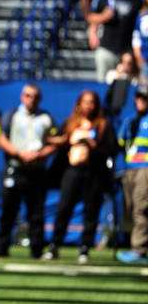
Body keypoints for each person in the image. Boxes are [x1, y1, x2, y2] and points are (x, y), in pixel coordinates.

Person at [42, 90, 115, 264]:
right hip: (72, 170)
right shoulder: (71, 123)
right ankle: (55, 245)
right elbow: (54, 139)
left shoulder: (102, 124)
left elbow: (112, 149)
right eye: (85, 102)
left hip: (94, 171)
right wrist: (64, 140)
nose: (88, 106)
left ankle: (85, 248)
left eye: (92, 102)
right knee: (64, 207)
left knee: (91, 210)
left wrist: (93, 145)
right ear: (79, 104)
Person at [0, 84, 57, 259]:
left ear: (40, 99)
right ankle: (1, 248)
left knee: (36, 214)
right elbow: (1, 138)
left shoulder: (46, 118)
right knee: (8, 211)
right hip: (15, 168)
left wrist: (39, 154)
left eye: (35, 96)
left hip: (37, 170)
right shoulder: (12, 115)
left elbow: (55, 141)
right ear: (22, 97)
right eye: (28, 96)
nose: (31, 100)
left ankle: (36, 250)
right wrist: (18, 153)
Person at [87, 0, 142, 82]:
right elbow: (91, 17)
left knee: (126, 84)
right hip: (106, 47)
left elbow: (141, 19)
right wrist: (94, 31)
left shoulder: (135, 0)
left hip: (126, 50)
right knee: (102, 82)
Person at [117, 85, 148, 264]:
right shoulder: (129, 121)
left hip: (146, 168)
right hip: (130, 169)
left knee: (141, 208)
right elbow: (121, 144)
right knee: (130, 208)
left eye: (145, 98)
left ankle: (139, 249)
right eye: (139, 97)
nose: (141, 101)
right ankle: (136, 245)